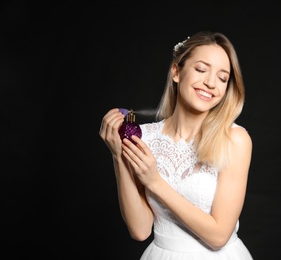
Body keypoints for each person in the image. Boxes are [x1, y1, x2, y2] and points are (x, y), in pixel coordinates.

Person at [99, 31, 254, 259]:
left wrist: (155, 182)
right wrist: (118, 155)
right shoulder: (145, 137)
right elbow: (140, 230)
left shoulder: (235, 140)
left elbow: (219, 235)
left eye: (222, 78)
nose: (211, 83)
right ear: (176, 72)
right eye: (201, 70)